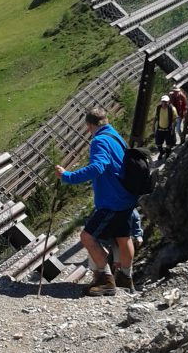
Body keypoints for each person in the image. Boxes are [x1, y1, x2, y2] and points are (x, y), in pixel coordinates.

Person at [55, 107, 136, 296]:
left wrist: (68, 176)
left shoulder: (99, 140)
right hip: (127, 198)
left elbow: (97, 167)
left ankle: (106, 281)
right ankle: (125, 277)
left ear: (89, 125)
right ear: (105, 120)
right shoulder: (116, 136)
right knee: (124, 238)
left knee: (87, 237)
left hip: (111, 201)